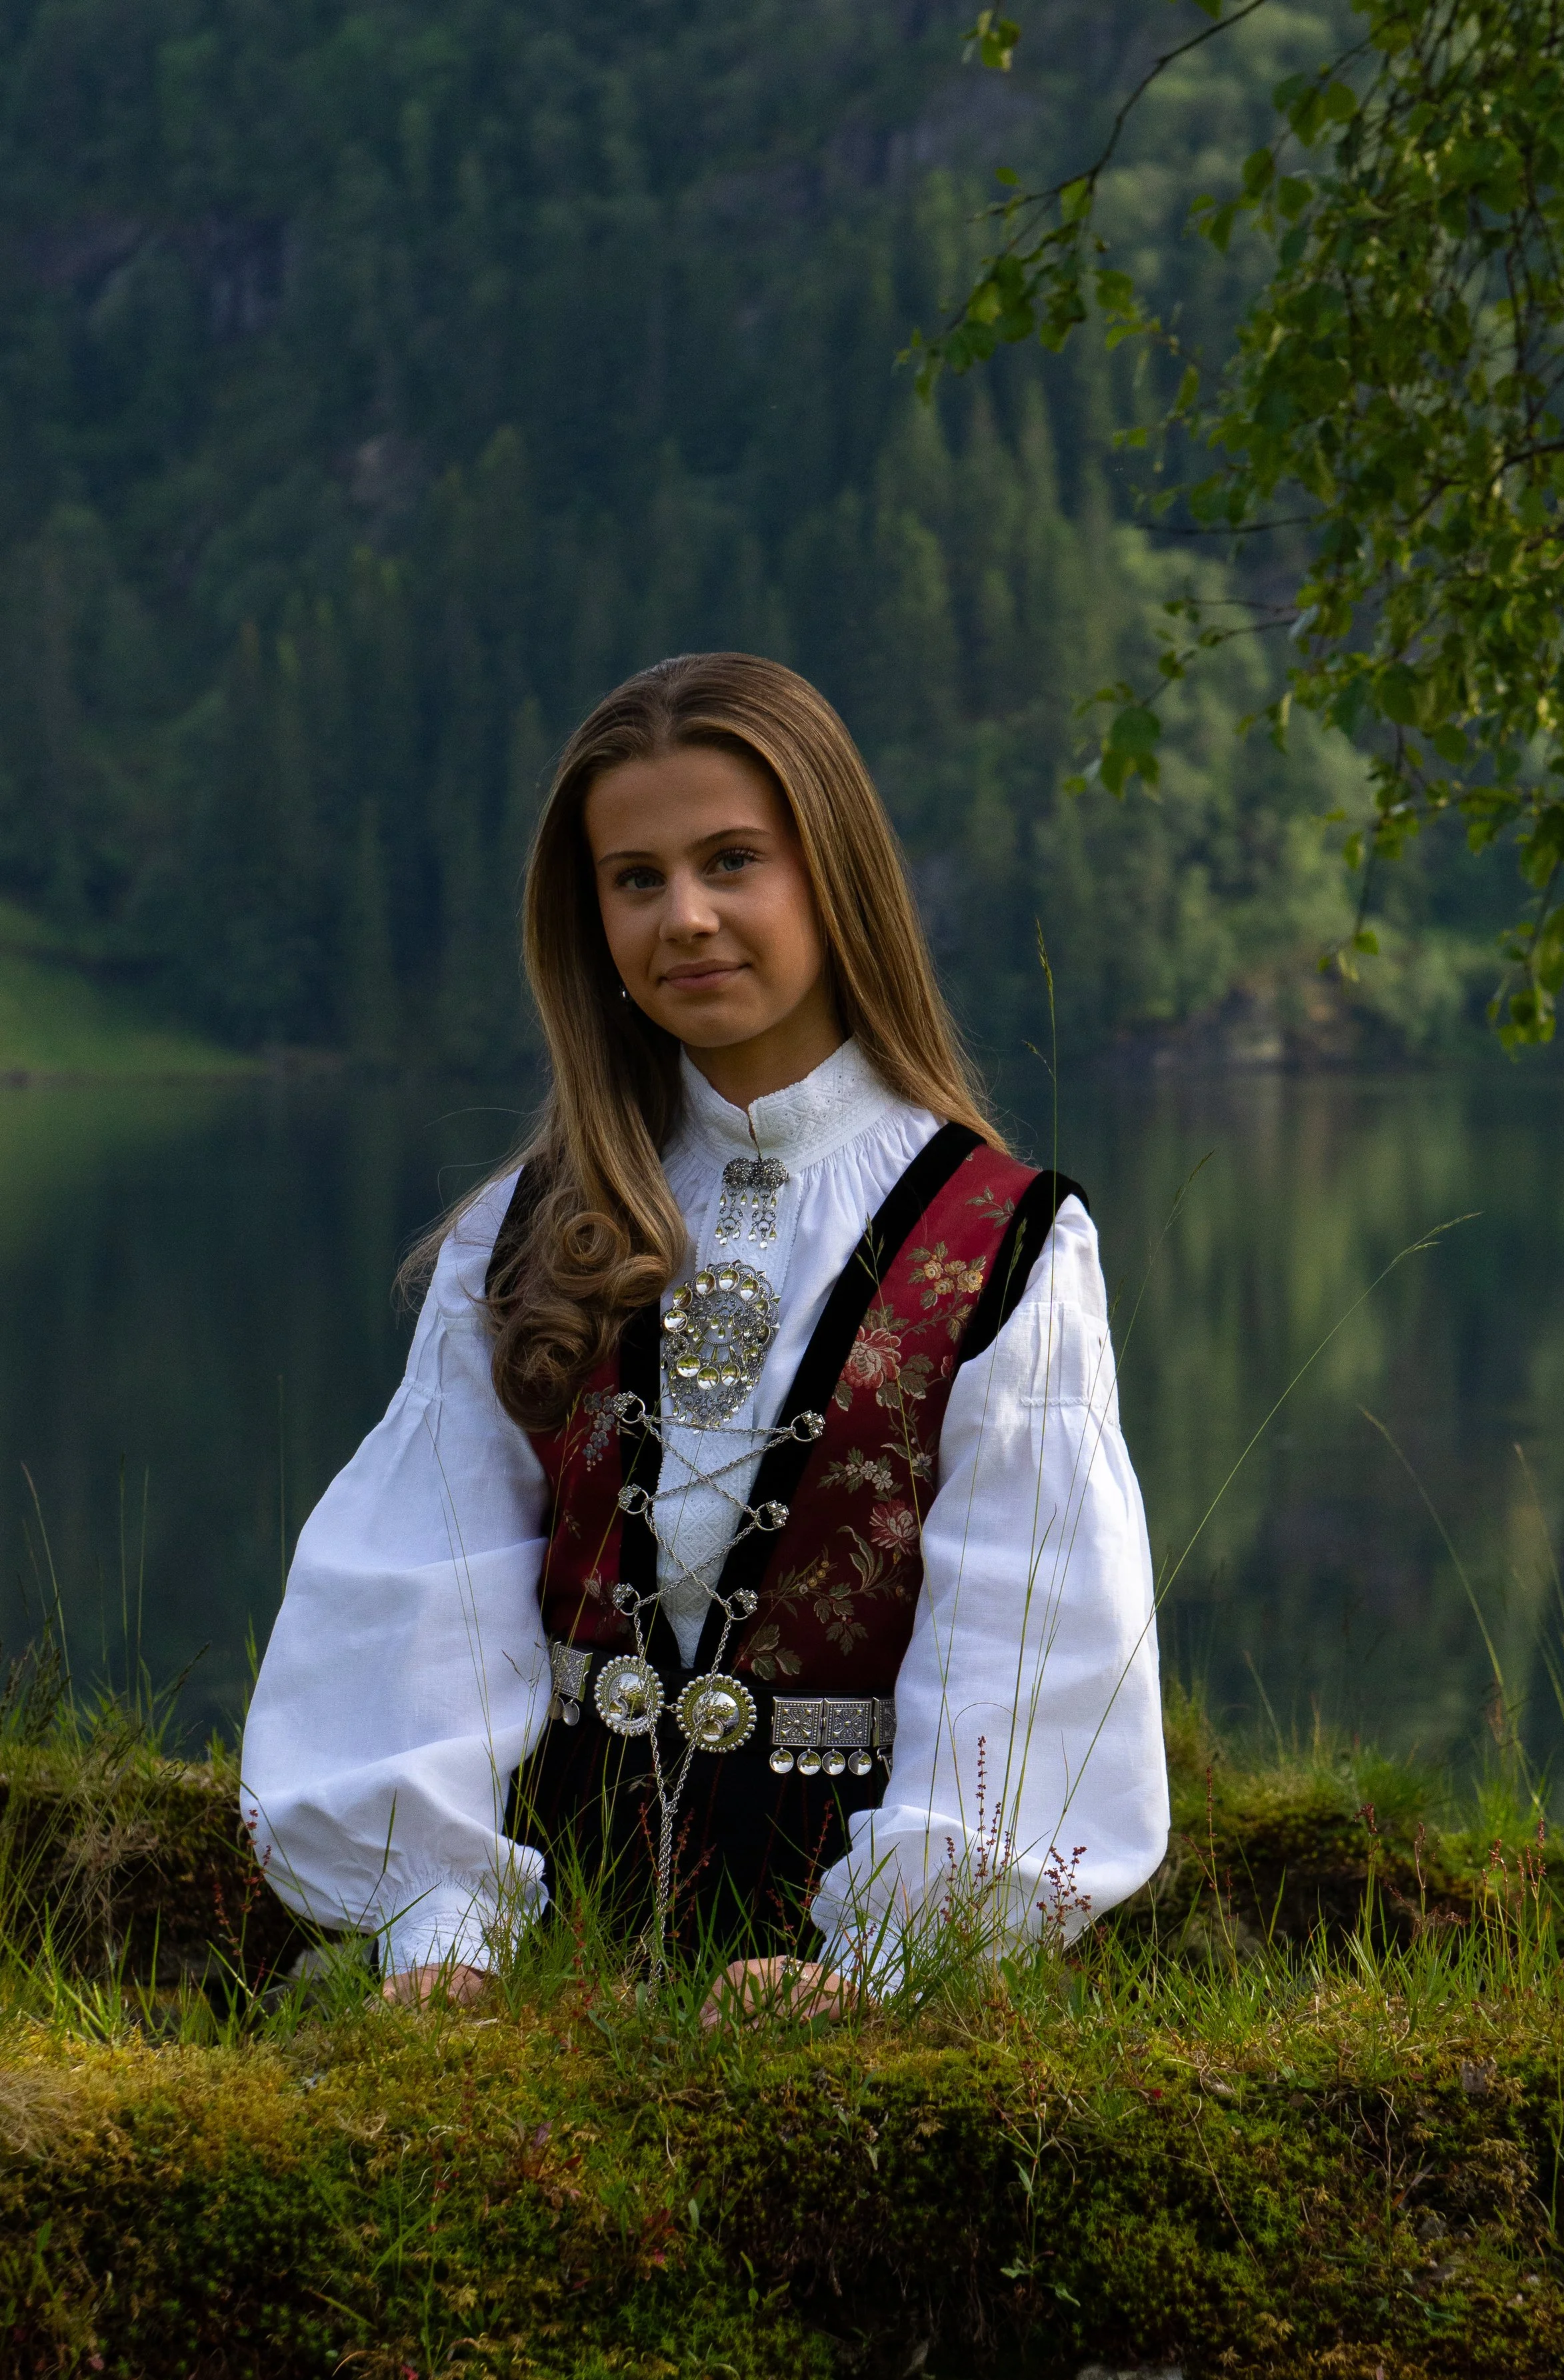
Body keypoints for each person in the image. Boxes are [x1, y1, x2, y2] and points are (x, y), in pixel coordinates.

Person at [240, 652, 1169, 2012]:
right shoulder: (523, 1233)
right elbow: (421, 1584)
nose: (684, 916)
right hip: (535, 1973)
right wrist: (444, 1923)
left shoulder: (1004, 1242)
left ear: (831, 873)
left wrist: (889, 1960)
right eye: (635, 877)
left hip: (842, 1978)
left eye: (733, 860)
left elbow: (1033, 1634)